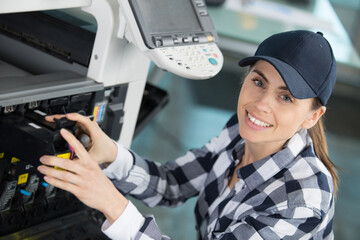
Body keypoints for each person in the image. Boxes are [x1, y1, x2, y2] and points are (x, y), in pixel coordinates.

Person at [37, 30, 338, 239]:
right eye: (259, 82)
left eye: (285, 98)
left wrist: (111, 202)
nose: (260, 106)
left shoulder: (301, 199)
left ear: (313, 116)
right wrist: (110, 154)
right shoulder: (242, 130)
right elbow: (173, 184)